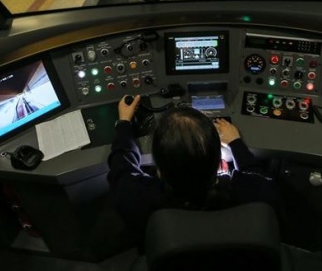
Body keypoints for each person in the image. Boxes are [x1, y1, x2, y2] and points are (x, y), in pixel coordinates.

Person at [107, 94, 280, 242]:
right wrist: (236, 143)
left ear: (158, 168)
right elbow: (257, 174)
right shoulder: (251, 192)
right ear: (219, 161)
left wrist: (124, 123)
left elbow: (122, 163)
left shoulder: (135, 197)